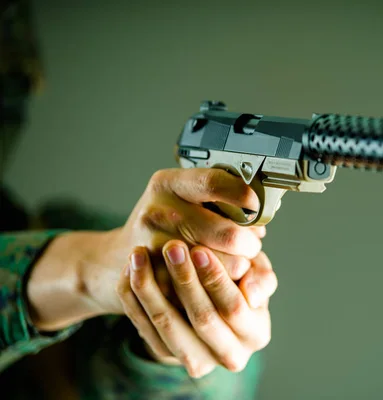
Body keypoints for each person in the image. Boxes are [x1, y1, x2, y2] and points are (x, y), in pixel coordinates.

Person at [0, 1, 278, 398]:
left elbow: (231, 379)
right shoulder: (102, 239)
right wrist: (84, 270)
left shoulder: (93, 230)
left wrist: (166, 355)